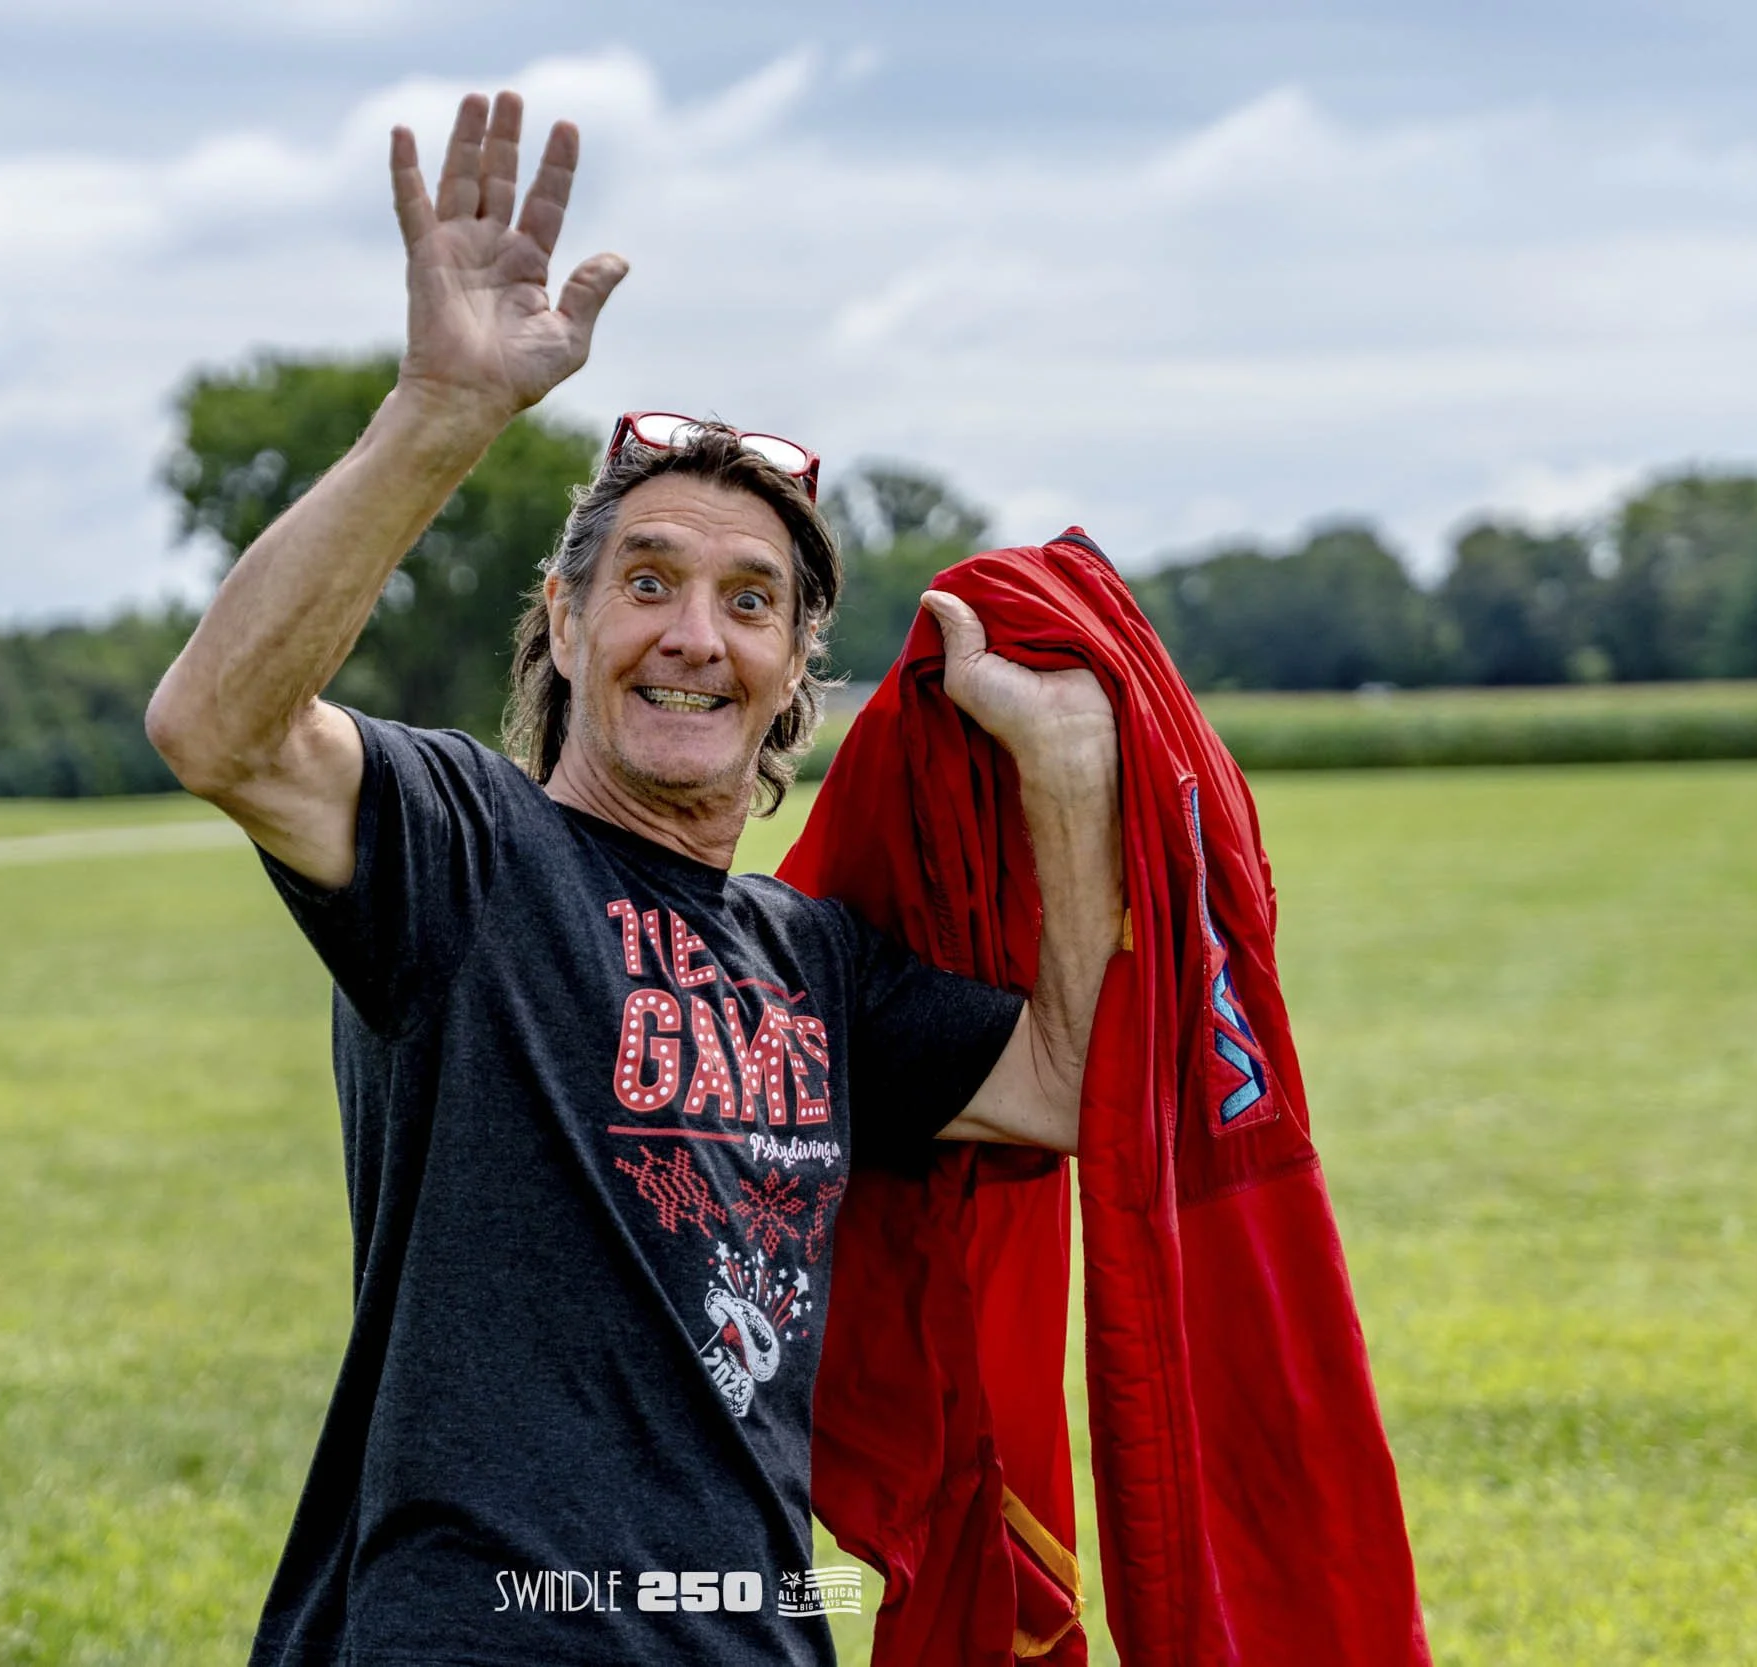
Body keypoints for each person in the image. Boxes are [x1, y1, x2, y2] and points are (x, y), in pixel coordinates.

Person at [145, 88, 1123, 1667]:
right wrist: (444, 415)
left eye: (751, 600)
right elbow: (220, 726)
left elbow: (1076, 1082)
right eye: (649, 580)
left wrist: (1068, 777)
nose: (694, 636)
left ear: (798, 664)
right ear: (565, 619)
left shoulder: (818, 961)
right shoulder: (467, 851)